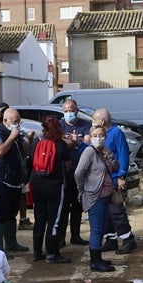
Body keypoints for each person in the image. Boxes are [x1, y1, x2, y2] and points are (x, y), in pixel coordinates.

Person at [74, 124, 120, 273]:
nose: (98, 138)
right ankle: (95, 262)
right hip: (95, 196)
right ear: (90, 137)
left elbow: (115, 167)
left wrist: (109, 154)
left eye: (101, 135)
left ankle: (98, 258)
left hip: (106, 195)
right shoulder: (89, 152)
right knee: (96, 228)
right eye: (95, 135)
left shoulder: (103, 152)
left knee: (102, 228)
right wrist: (81, 189)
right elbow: (78, 172)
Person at [94, 108, 138, 255]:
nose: (92, 122)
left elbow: (123, 154)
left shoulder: (116, 133)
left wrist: (122, 176)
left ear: (102, 121)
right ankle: (111, 239)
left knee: (116, 211)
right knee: (106, 212)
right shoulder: (99, 136)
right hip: (102, 180)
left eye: (94, 119)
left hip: (114, 179)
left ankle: (128, 240)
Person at [0, 107, 29, 257]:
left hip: (15, 179)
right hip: (2, 179)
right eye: (14, 122)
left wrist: (27, 139)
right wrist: (12, 137)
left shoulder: (15, 133)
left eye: (18, 122)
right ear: (5, 121)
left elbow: (22, 150)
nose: (16, 124)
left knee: (12, 212)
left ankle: (12, 243)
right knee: (2, 213)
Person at [29, 115, 71, 264]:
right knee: (54, 221)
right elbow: (67, 166)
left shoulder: (36, 142)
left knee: (39, 219)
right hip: (54, 186)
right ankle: (52, 254)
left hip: (37, 185)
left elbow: (30, 161)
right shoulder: (61, 144)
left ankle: (36, 252)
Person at [57, 99, 91, 247]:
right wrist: (67, 142)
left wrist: (77, 141)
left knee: (77, 206)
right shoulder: (59, 125)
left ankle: (75, 235)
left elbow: (89, 142)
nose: (69, 113)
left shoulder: (85, 125)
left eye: (71, 110)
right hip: (64, 173)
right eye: (66, 111)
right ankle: (60, 238)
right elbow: (56, 142)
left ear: (76, 110)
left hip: (80, 172)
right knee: (63, 207)